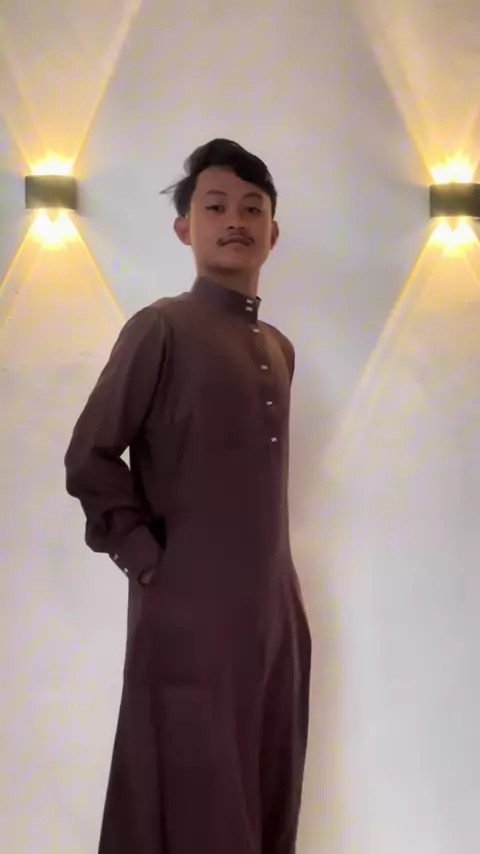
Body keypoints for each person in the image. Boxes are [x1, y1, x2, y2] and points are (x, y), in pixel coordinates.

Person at [64, 138, 311, 854]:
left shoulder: (280, 348)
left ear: (273, 233)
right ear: (185, 228)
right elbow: (90, 456)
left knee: (265, 777)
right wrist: (150, 564)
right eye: (216, 206)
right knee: (190, 787)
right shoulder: (160, 327)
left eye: (252, 208)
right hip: (186, 612)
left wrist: (280, 604)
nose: (235, 220)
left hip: (273, 613)